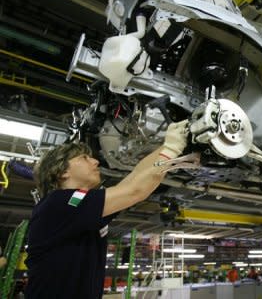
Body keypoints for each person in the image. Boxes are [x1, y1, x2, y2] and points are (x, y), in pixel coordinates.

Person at [25, 120, 189, 299]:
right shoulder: (60, 203)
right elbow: (136, 190)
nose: (95, 161)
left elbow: (134, 177)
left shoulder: (78, 204)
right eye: (84, 158)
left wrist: (168, 145)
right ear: (62, 172)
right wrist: (172, 150)